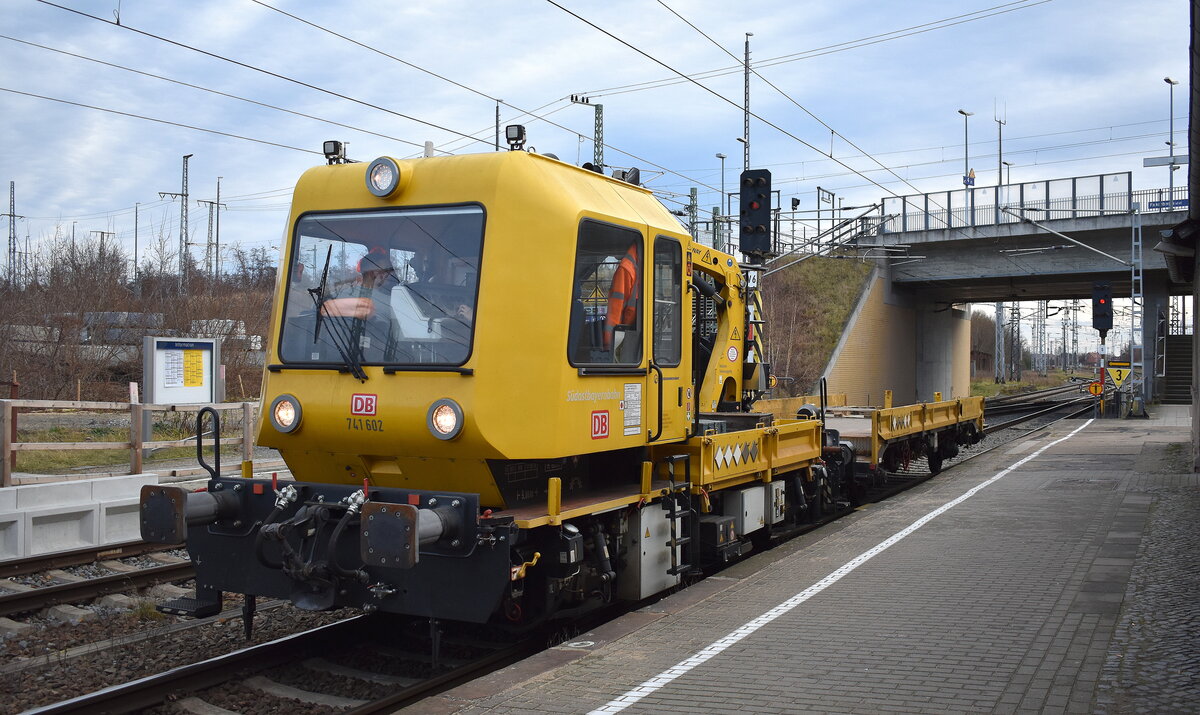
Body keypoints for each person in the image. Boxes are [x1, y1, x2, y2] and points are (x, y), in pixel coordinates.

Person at [604, 242, 640, 362]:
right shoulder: (640, 262)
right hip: (634, 331)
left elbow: (615, 312)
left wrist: (608, 346)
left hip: (626, 335)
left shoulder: (626, 268)